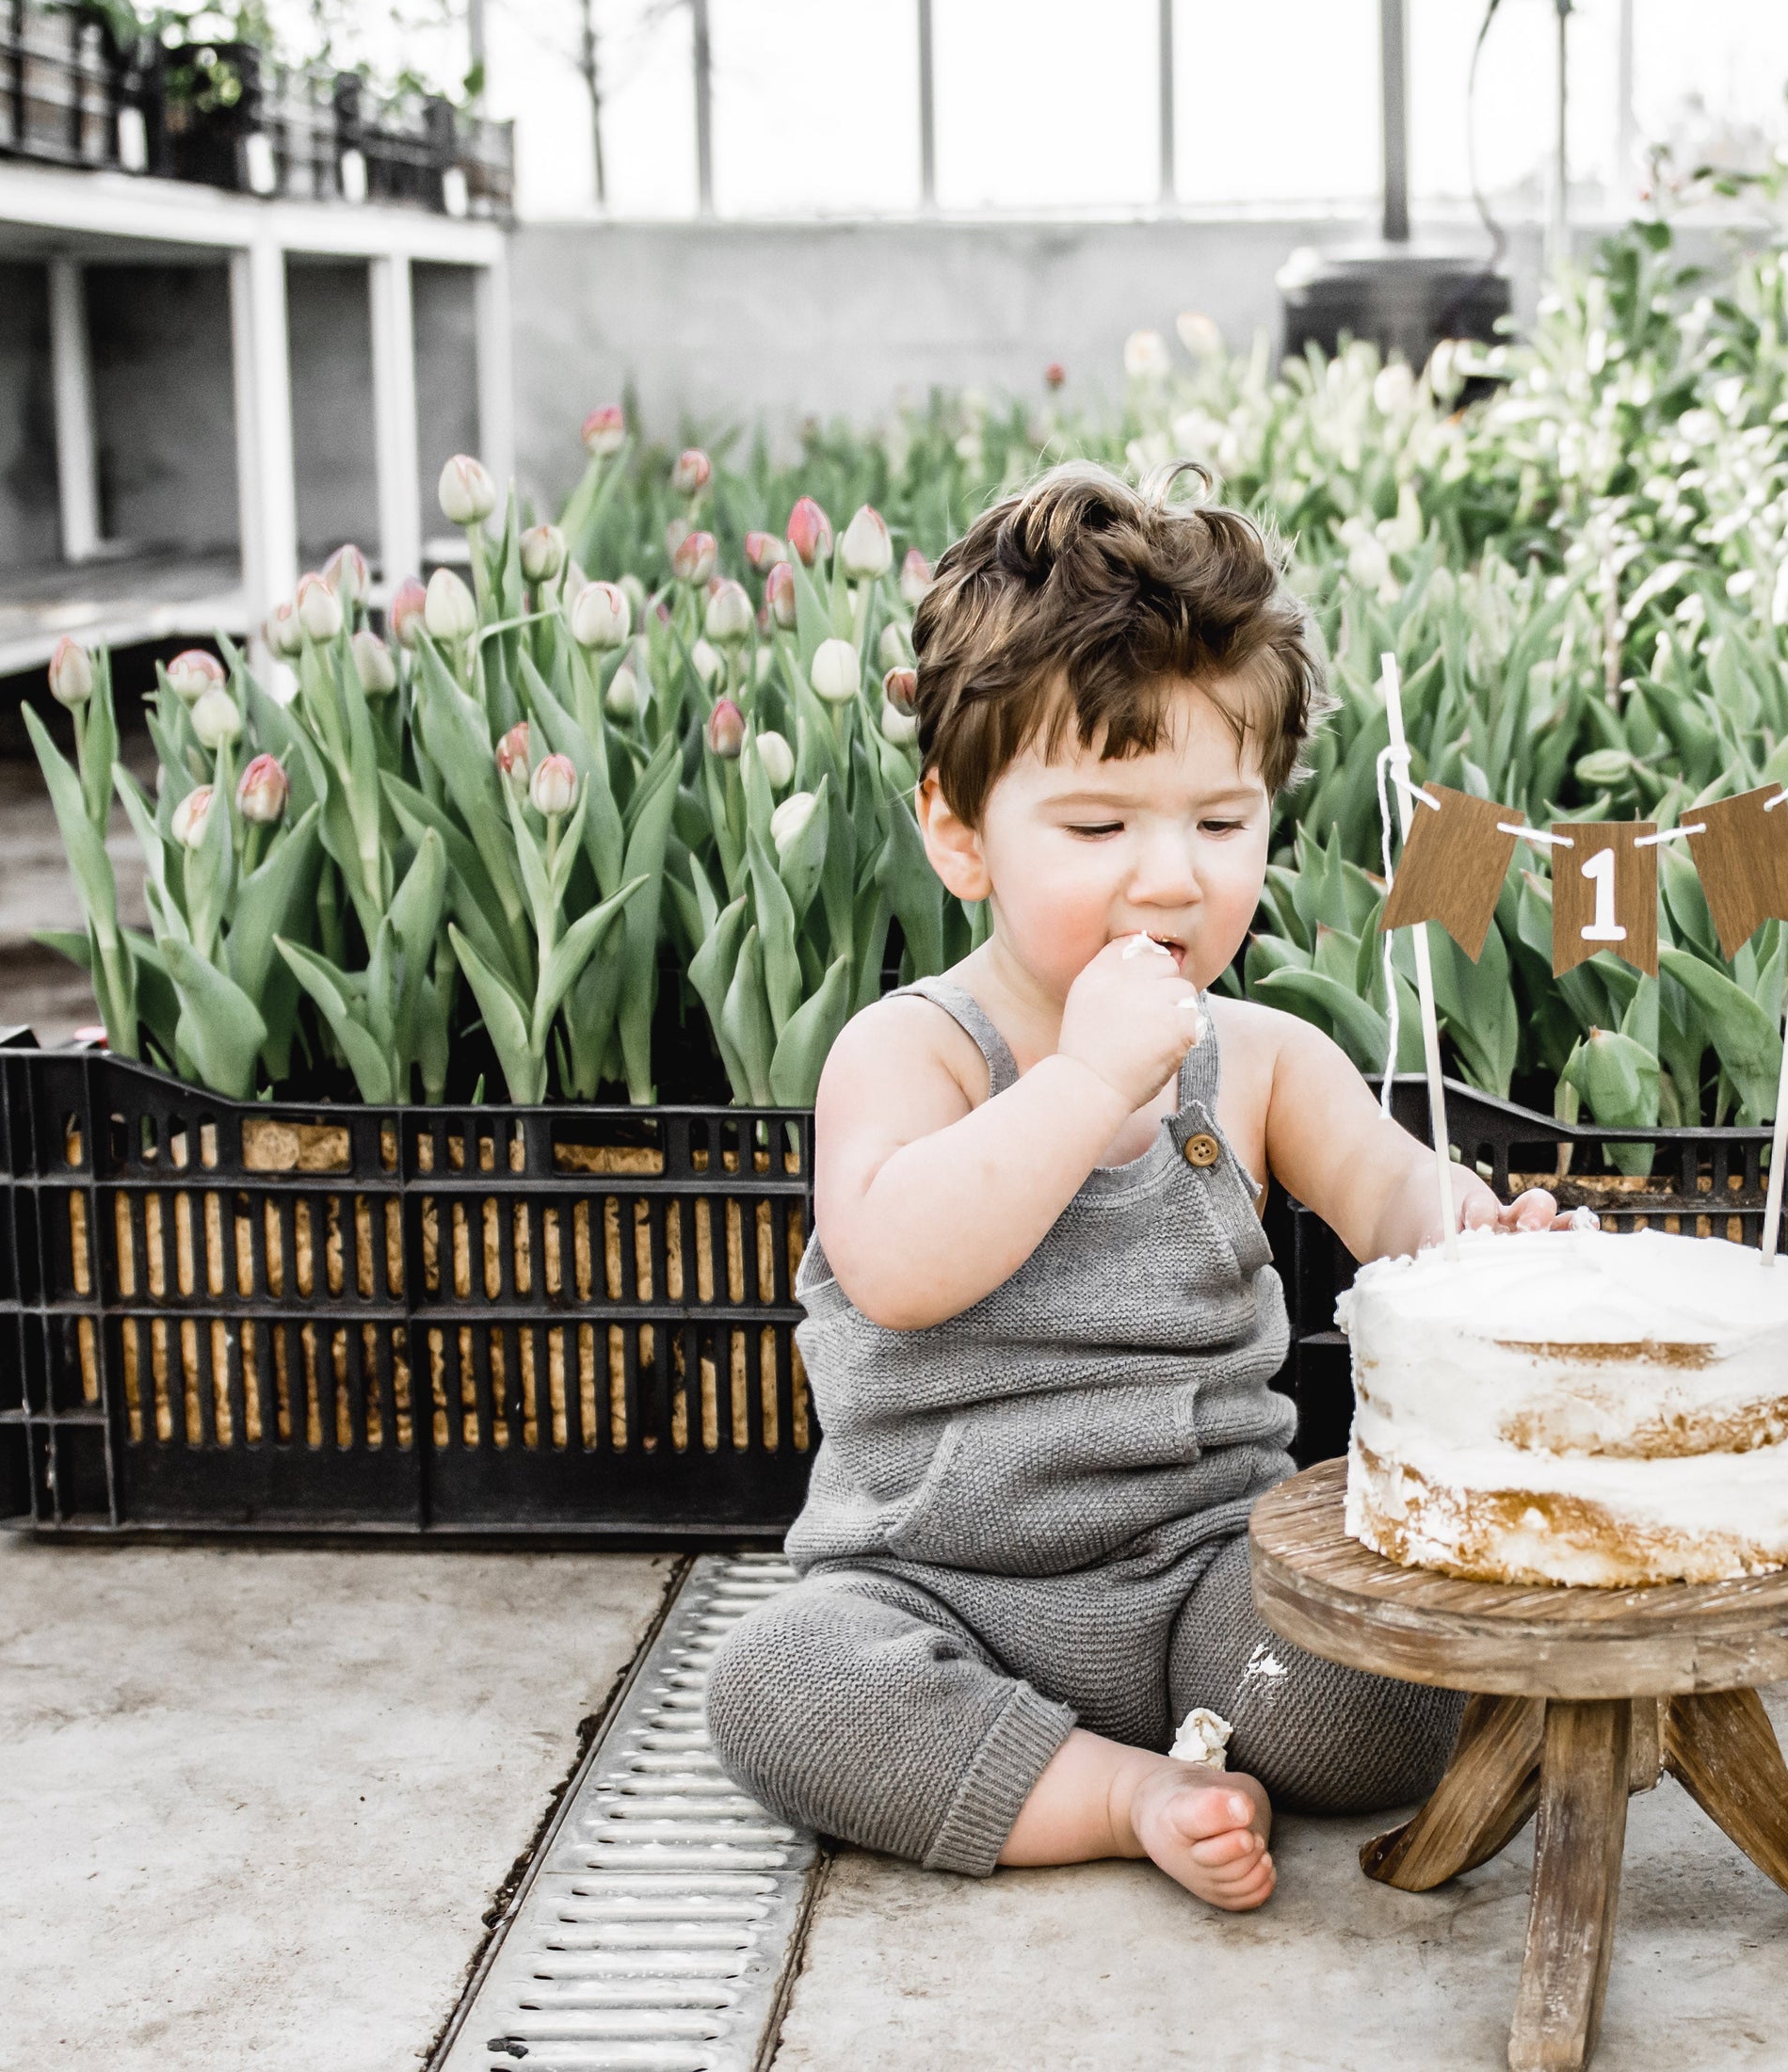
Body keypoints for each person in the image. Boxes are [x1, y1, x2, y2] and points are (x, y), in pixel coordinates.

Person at [706, 460, 1563, 1912]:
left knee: (1371, 1689)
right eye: (1100, 828)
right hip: (934, 1586)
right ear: (959, 833)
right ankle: (1115, 1792)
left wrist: (1475, 1232)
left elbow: (1389, 1190)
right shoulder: (916, 1051)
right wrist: (1088, 1079)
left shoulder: (1265, 1060)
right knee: (780, 1685)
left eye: (1220, 823)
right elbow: (899, 1264)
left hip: (1209, 1579)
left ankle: (1242, 1731)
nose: (1171, 876)